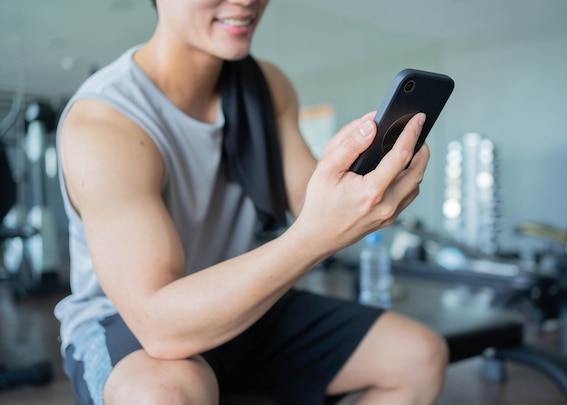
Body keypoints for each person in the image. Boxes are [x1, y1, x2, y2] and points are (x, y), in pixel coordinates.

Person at [54, 0, 448, 404]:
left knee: (418, 357)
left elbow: (306, 196)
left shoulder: (268, 84)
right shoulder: (105, 121)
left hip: (246, 297)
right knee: (163, 397)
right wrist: (316, 236)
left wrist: (352, 176)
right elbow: (159, 325)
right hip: (131, 320)